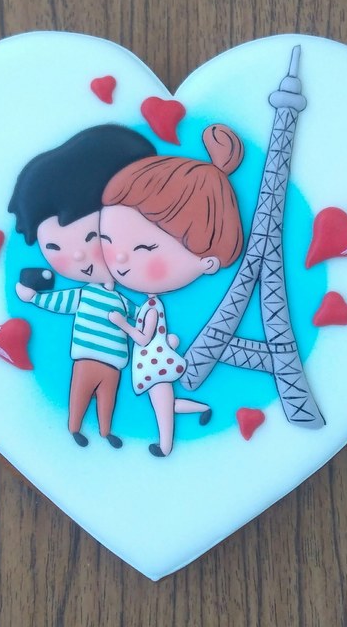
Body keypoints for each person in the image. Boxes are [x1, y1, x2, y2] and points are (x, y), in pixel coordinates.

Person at [99, 123, 245, 456]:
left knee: (163, 403)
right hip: (157, 361)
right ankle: (200, 411)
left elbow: (142, 337)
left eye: (144, 249)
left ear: (208, 262)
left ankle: (165, 446)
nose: (119, 259)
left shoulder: (152, 306)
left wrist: (121, 323)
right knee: (164, 402)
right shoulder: (152, 302)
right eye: (107, 240)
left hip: (153, 362)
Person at [9, 125, 155, 448]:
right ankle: (75, 427)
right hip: (87, 356)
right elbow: (60, 302)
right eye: (54, 248)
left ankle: (105, 431)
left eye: (93, 237)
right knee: (80, 393)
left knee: (108, 396)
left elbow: (137, 312)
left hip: (115, 360)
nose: (78, 256)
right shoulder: (83, 294)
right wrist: (33, 298)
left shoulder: (123, 296)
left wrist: (149, 310)